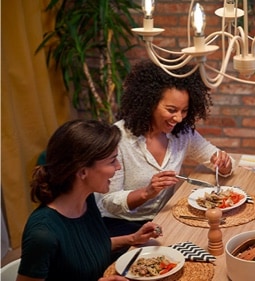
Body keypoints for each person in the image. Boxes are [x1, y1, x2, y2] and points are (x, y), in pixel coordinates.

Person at [95, 60, 234, 237]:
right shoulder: (118, 138)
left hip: (162, 218)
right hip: (120, 225)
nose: (178, 118)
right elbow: (108, 201)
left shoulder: (181, 134)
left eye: (184, 110)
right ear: (149, 102)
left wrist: (224, 164)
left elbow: (220, 161)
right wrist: (146, 192)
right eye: (171, 110)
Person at [17, 119, 163, 281]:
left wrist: (132, 239)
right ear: (82, 172)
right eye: (112, 161)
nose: (118, 167)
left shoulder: (87, 201)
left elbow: (89, 248)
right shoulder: (43, 235)